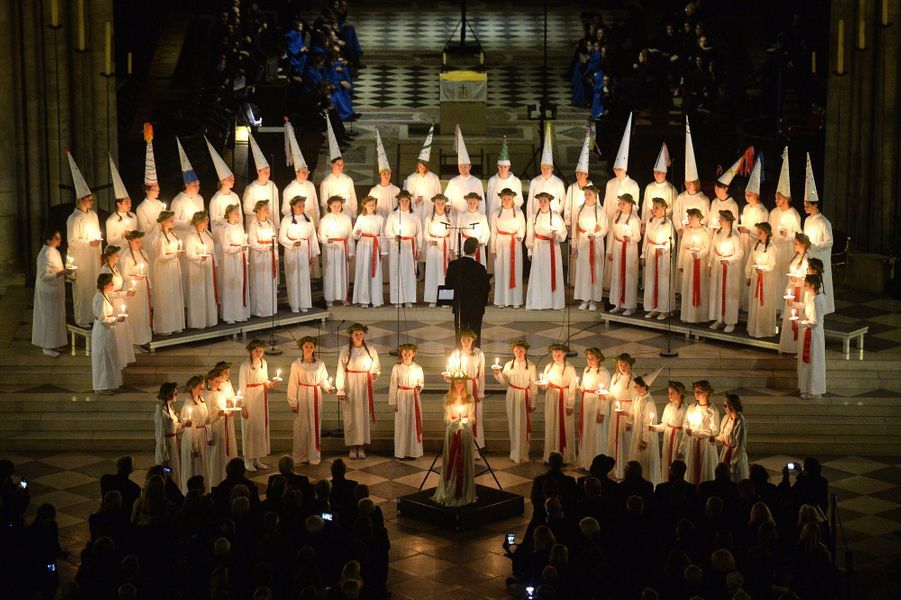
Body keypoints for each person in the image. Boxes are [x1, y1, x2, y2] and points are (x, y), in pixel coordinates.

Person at [65, 151, 102, 327]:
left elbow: (97, 234)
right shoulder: (73, 219)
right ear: (80, 200)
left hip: (93, 257)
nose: (91, 202)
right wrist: (88, 243)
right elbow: (72, 241)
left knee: (94, 287)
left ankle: (94, 315)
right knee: (82, 289)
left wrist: (98, 247)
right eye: (88, 199)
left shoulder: (93, 215)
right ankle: (82, 319)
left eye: (92, 199)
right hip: (81, 259)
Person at [336, 323, 381, 458]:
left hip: (364, 385)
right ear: (351, 335)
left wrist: (374, 373)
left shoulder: (371, 350)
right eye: (356, 334)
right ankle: (352, 447)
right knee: (351, 416)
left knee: (362, 416)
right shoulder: (345, 350)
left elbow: (376, 367)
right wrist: (340, 389)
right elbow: (340, 369)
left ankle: (361, 446)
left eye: (361, 334)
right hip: (350, 384)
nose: (358, 336)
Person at [431, 377, 477, 507]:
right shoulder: (447, 397)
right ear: (452, 383)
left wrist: (464, 423)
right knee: (453, 460)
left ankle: (465, 492)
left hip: (465, 433)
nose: (459, 384)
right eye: (457, 382)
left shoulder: (470, 398)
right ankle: (449, 487)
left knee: (464, 460)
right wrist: (454, 423)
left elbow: (472, 417)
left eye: (461, 382)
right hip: (452, 432)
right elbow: (446, 417)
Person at [287, 336, 333, 466]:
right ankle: (300, 456)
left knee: (314, 425)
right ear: (302, 347)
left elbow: (323, 379)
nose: (309, 349)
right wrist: (293, 402)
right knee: (301, 427)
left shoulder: (320, 363)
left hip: (315, 395)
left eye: (311, 346)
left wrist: (328, 387)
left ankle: (314, 455)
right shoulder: (296, 364)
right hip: (302, 395)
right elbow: (292, 384)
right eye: (306, 346)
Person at [491, 339, 538, 463]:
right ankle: (514, 453)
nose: (518, 352)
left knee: (523, 424)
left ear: (525, 351)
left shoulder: (531, 366)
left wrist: (533, 402)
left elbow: (533, 385)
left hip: (524, 396)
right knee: (513, 424)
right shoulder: (508, 365)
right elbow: (504, 381)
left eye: (521, 350)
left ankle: (523, 453)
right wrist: (497, 373)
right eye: (516, 350)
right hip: (512, 395)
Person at [768, 148, 802, 308]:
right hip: (776, 249)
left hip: (787, 250)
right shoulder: (773, 213)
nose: (776, 200)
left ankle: (784, 307)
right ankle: (774, 306)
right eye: (775, 197)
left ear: (786, 198)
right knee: (775, 278)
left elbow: (799, 235)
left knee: (784, 278)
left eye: (779, 198)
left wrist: (788, 234)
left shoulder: (793, 214)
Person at [239, 339, 280, 471]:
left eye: (261, 350)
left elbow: (264, 380)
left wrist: (271, 384)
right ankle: (248, 460)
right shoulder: (244, 366)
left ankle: (257, 459)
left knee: (259, 429)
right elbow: (242, 386)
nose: (259, 352)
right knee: (250, 429)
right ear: (251, 350)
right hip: (250, 398)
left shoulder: (264, 363)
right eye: (256, 350)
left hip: (261, 398)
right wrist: (243, 406)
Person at [801, 155, 834, 315]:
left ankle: (823, 308)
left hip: (820, 258)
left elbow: (829, 241)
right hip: (809, 256)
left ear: (815, 204)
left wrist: (814, 246)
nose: (805, 207)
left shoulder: (824, 222)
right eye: (804, 205)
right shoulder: (807, 220)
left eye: (808, 205)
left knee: (820, 282)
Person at [444, 329, 487, 448]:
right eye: (463, 340)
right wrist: (448, 378)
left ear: (473, 340)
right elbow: (451, 374)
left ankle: (475, 447)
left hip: (473, 385)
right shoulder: (455, 354)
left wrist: (481, 391)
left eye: (468, 339)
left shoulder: (478, 353)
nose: (466, 342)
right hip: (459, 387)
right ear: (460, 340)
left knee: (474, 415)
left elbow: (482, 374)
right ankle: (459, 445)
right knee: (460, 413)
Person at [172, 139, 205, 291]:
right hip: (184, 238)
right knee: (187, 271)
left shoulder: (200, 199)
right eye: (194, 185)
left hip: (198, 237)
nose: (197, 187)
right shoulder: (178, 201)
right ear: (186, 185)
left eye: (198, 184)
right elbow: (173, 222)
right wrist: (189, 222)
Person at [526, 192, 567, 310]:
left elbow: (563, 232)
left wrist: (556, 235)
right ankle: (539, 303)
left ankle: (554, 302)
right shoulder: (534, 217)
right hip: (539, 248)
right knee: (539, 274)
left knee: (551, 273)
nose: (543, 203)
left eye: (545, 201)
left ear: (549, 202)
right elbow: (530, 234)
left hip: (552, 247)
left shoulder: (555, 216)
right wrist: (530, 250)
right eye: (541, 201)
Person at [445, 238, 491, 344]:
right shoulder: (480, 268)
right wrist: (483, 302)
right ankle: (475, 356)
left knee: (460, 335)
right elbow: (486, 287)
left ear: (464, 249)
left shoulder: (453, 265)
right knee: (475, 334)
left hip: (460, 306)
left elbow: (448, 285)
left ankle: (459, 356)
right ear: (476, 250)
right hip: (476, 307)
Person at [538, 344, 578, 464]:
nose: (556, 357)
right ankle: (549, 455)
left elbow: (572, 387)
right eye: (554, 354)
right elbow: (545, 383)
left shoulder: (570, 368)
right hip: (551, 398)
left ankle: (565, 456)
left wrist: (570, 404)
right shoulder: (549, 367)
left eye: (559, 355)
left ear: (565, 354)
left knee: (565, 426)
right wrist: (542, 385)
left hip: (564, 397)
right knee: (551, 424)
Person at [32, 230, 69, 357]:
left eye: (59, 237)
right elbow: (43, 276)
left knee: (57, 318)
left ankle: (55, 343)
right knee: (49, 318)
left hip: (57, 291)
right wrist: (62, 273)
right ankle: (47, 346)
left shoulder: (56, 252)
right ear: (48, 240)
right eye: (56, 238)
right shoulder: (44, 255)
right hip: (48, 292)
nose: (59, 240)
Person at [279, 196, 319, 313]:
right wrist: (291, 243)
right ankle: (294, 304)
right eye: (299, 206)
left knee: (304, 277)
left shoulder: (309, 218)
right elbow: (282, 237)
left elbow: (313, 237)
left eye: (303, 206)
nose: (302, 208)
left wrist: (313, 254)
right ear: (293, 206)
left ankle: (304, 303)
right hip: (292, 250)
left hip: (305, 249)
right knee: (293, 277)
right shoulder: (287, 219)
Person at [98, 245, 136, 368]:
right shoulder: (105, 270)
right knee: (117, 332)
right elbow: (107, 291)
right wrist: (124, 293)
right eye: (116, 254)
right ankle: (116, 361)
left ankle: (123, 359)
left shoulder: (115, 268)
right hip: (112, 303)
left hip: (119, 301)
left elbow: (120, 284)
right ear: (109, 256)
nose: (118, 256)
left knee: (122, 331)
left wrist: (126, 293)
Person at [572, 185, 607, 311]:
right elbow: (576, 228)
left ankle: (593, 299)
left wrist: (595, 235)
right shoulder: (579, 209)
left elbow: (604, 228)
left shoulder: (600, 210)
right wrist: (574, 246)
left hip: (595, 243)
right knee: (583, 271)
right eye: (585, 194)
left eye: (589, 194)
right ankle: (584, 298)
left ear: (595, 195)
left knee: (594, 270)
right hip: (583, 243)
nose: (587, 196)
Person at [708, 211, 744, 332]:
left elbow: (740, 253)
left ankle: (730, 321)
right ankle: (719, 319)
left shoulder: (735, 234)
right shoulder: (717, 233)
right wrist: (710, 264)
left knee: (730, 294)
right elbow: (713, 249)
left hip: (730, 269)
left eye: (722, 219)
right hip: (719, 266)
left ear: (728, 221)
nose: (719, 221)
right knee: (718, 292)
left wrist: (728, 260)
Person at [673, 117, 710, 235]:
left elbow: (706, 218)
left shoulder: (703, 200)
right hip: (683, 233)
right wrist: (679, 228)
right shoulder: (681, 198)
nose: (687, 185)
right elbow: (676, 214)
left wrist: (696, 226)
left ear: (696, 183)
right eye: (686, 183)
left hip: (698, 234)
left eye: (690, 183)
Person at [490, 188, 527, 308]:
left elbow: (522, 227)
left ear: (512, 199)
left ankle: (515, 300)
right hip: (500, 242)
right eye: (504, 198)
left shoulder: (518, 212)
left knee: (514, 270)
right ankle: (501, 300)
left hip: (514, 243)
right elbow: (493, 231)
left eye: (509, 198)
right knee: (501, 270)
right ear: (501, 199)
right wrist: (493, 248)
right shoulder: (496, 213)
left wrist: (520, 236)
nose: (506, 201)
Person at [385, 190, 422, 307]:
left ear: (410, 201)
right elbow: (387, 231)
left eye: (407, 200)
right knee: (397, 272)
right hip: (397, 246)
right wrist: (394, 237)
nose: (405, 203)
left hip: (410, 246)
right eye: (402, 201)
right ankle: (397, 300)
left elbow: (419, 232)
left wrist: (419, 249)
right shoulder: (393, 215)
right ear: (399, 201)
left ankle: (408, 299)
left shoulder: (414, 215)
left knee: (409, 273)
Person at [641, 197, 676, 319]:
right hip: (651, 252)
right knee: (651, 280)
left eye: (657, 207)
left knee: (663, 281)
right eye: (653, 207)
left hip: (663, 256)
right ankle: (653, 307)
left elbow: (672, 242)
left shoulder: (668, 223)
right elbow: (646, 239)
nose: (654, 210)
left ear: (664, 208)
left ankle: (664, 309)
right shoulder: (650, 221)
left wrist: (665, 248)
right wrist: (643, 254)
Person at [282, 119, 320, 231]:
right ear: (297, 172)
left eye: (307, 172)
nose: (306, 175)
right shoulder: (289, 189)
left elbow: (316, 206)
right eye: (303, 172)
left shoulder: (310, 185)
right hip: (296, 224)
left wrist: (317, 223)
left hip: (310, 224)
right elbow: (285, 210)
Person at [577, 348, 611, 471]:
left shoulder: (604, 373)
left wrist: (602, 412)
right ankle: (585, 462)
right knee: (586, 432)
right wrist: (579, 389)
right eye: (588, 358)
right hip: (587, 404)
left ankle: (596, 465)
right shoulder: (586, 370)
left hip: (597, 404)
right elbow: (583, 386)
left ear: (599, 359)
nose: (589, 361)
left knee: (596, 433)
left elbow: (606, 394)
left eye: (592, 358)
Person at [607, 193, 642, 315]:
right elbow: (612, 234)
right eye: (620, 203)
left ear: (630, 205)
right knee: (617, 275)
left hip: (629, 249)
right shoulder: (617, 216)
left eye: (624, 203)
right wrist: (610, 250)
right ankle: (618, 303)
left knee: (628, 275)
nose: (621, 205)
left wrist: (630, 239)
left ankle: (629, 305)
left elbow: (637, 237)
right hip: (618, 247)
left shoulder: (634, 219)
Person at [681, 380, 720, 488]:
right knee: (692, 469)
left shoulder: (712, 410)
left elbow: (714, 431)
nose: (696, 394)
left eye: (699, 391)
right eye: (695, 391)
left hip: (706, 445)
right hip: (692, 443)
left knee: (705, 469)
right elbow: (685, 423)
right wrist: (687, 429)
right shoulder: (692, 407)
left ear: (706, 392)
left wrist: (695, 432)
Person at [151, 211, 185, 335]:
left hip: (173, 267)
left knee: (174, 295)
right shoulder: (160, 237)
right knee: (165, 296)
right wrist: (175, 254)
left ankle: (175, 324)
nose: (173, 222)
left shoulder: (173, 234)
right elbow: (161, 257)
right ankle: (165, 327)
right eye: (171, 220)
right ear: (164, 222)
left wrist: (177, 253)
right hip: (164, 269)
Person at [215, 205, 250, 324]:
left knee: (240, 284)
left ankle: (240, 313)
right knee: (231, 285)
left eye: (238, 213)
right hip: (230, 260)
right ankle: (230, 315)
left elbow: (244, 242)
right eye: (235, 213)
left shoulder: (239, 226)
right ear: (229, 214)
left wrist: (245, 252)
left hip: (240, 258)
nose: (238, 215)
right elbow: (225, 248)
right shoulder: (225, 228)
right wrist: (238, 249)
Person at [389, 344, 425, 460]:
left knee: (413, 423)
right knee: (402, 423)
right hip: (401, 396)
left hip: (413, 397)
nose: (407, 356)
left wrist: (419, 387)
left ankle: (413, 452)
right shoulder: (397, 368)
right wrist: (393, 402)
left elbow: (421, 382)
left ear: (413, 354)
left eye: (409, 354)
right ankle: (401, 452)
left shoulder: (418, 368)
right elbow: (393, 385)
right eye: (405, 354)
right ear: (401, 354)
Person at [184, 211, 218, 328]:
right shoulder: (191, 236)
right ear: (198, 222)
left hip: (207, 265)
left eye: (207, 220)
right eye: (205, 221)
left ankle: (210, 319)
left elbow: (212, 250)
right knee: (198, 293)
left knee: (208, 291)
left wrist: (215, 263)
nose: (207, 223)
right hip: (196, 268)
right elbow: (189, 254)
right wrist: (199, 257)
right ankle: (198, 321)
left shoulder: (207, 233)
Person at [737, 157, 769, 287]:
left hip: (754, 245)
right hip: (744, 244)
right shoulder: (745, 208)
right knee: (744, 269)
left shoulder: (762, 211)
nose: (747, 196)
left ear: (756, 195)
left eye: (750, 194)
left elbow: (763, 232)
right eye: (746, 194)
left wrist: (749, 231)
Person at [351, 195, 386, 308]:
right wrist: (357, 232)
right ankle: (364, 299)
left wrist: (383, 250)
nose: (371, 206)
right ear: (365, 205)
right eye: (369, 204)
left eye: (373, 205)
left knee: (375, 271)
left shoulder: (380, 218)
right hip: (363, 245)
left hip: (375, 245)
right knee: (364, 270)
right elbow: (354, 235)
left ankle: (375, 299)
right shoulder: (361, 218)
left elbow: (383, 235)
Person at [135, 125, 164, 260]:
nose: (158, 190)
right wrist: (159, 220)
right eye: (155, 188)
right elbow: (145, 228)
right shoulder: (141, 208)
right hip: (149, 242)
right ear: (148, 190)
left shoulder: (159, 204)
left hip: (161, 240)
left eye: (158, 187)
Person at [319, 195, 354, 307]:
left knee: (342, 272)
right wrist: (326, 240)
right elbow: (320, 235)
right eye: (334, 206)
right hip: (330, 248)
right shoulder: (325, 219)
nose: (337, 208)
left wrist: (351, 252)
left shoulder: (346, 218)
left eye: (339, 205)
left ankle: (343, 297)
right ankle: (329, 298)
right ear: (329, 206)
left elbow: (350, 237)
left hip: (342, 247)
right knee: (330, 272)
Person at [779, 233, 811, 353]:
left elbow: (808, 276)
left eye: (796, 244)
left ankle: (799, 348)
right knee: (790, 315)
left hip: (801, 291)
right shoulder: (797, 256)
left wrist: (799, 279)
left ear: (803, 244)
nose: (794, 245)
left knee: (799, 315)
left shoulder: (807, 257)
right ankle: (789, 346)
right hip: (793, 288)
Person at [678, 208, 712, 323]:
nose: (689, 219)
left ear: (698, 217)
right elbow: (683, 246)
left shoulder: (705, 231)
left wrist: (698, 254)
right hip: (688, 260)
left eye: (692, 217)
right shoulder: (687, 230)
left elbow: (708, 248)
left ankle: (698, 316)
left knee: (699, 286)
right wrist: (680, 263)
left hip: (699, 262)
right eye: (688, 217)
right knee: (688, 285)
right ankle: (687, 315)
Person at [404, 125, 443, 222]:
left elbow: (439, 195)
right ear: (417, 165)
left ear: (427, 166)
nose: (422, 168)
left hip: (430, 209)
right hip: (416, 210)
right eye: (420, 166)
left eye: (424, 166)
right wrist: (414, 201)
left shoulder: (434, 178)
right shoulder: (411, 178)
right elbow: (407, 195)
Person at [92, 274, 123, 394]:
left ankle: (109, 383)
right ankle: (101, 386)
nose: (113, 285)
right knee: (103, 358)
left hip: (107, 331)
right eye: (111, 283)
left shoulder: (104, 295)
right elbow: (103, 319)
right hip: (102, 331)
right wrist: (117, 319)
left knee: (108, 356)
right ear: (105, 285)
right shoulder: (100, 298)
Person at [207, 367, 238, 486]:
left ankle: (224, 476)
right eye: (216, 381)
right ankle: (215, 480)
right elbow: (207, 417)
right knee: (216, 453)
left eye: (220, 381)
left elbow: (224, 407)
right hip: (215, 428)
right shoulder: (208, 395)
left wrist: (228, 412)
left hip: (222, 426)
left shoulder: (220, 393)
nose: (219, 383)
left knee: (223, 452)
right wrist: (218, 414)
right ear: (209, 380)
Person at [745, 223, 777, 338]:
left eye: (761, 232)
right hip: (755, 277)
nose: (758, 234)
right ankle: (754, 328)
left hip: (766, 279)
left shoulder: (771, 247)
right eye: (758, 232)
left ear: (767, 233)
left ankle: (764, 330)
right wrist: (748, 275)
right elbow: (750, 260)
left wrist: (763, 269)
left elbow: (772, 264)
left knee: (764, 303)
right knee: (755, 302)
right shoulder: (755, 245)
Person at [526, 126, 567, 219]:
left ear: (552, 168)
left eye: (548, 168)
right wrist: (530, 218)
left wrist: (557, 213)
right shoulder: (534, 181)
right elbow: (529, 202)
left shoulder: (558, 182)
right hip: (537, 216)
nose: (545, 170)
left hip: (553, 217)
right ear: (540, 168)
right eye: (543, 168)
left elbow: (563, 201)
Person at [319, 123, 357, 222]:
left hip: (347, 213)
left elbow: (353, 198)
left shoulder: (348, 179)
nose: (340, 166)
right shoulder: (326, 182)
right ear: (332, 165)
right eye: (338, 164)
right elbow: (323, 202)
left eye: (342, 164)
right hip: (332, 216)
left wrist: (354, 216)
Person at [243, 135, 281, 232]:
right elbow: (246, 208)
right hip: (255, 226)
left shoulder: (272, 186)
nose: (268, 174)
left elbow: (276, 208)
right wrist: (260, 211)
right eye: (265, 172)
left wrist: (277, 225)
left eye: (269, 171)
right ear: (259, 172)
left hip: (270, 225)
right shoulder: (251, 188)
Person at [179, 375, 210, 492]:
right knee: (194, 466)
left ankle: (203, 489)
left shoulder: (201, 401)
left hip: (201, 435)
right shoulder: (188, 405)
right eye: (200, 388)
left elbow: (207, 419)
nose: (202, 390)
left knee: (202, 466)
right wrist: (194, 447)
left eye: (203, 388)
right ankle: (192, 491)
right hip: (193, 438)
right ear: (192, 388)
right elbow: (189, 428)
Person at [248, 200, 279, 318]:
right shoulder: (253, 224)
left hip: (269, 256)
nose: (267, 211)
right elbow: (253, 243)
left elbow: (274, 240)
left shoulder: (271, 223)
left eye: (268, 208)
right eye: (265, 209)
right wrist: (266, 247)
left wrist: (275, 255)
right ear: (258, 211)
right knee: (260, 282)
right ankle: (260, 310)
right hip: (259, 256)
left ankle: (270, 308)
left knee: (269, 283)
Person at [607, 353, 635, 479]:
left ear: (630, 365)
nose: (622, 367)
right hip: (615, 411)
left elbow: (635, 401)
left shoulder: (634, 380)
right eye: (620, 365)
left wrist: (630, 419)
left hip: (627, 410)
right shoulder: (615, 377)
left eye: (625, 365)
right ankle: (614, 468)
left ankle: (626, 469)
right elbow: (612, 394)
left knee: (626, 440)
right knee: (614, 437)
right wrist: (605, 395)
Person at [628, 376, 661, 486]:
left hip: (644, 436)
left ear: (644, 387)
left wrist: (645, 440)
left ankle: (647, 481)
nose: (634, 388)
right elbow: (633, 412)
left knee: (645, 460)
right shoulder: (638, 398)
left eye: (636, 386)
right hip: (637, 433)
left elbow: (647, 422)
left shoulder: (649, 402)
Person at [798, 274, 826, 399]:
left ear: (813, 286)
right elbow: (807, 307)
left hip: (815, 334)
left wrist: (801, 323)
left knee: (814, 361)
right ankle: (806, 389)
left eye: (806, 284)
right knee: (808, 361)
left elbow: (816, 321)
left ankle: (814, 390)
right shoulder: (812, 297)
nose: (804, 286)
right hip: (810, 331)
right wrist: (794, 305)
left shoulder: (818, 300)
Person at [445, 125, 485, 214]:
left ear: (470, 166)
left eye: (465, 166)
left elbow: (481, 202)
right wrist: (447, 206)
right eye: (461, 167)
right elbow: (447, 199)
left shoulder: (477, 182)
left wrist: (481, 215)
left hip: (472, 216)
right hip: (456, 216)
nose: (463, 169)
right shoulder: (453, 182)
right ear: (458, 167)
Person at [562, 130, 594, 239]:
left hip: (588, 226)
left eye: (581, 173)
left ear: (587, 174)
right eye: (577, 173)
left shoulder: (593, 190)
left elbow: (597, 207)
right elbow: (568, 207)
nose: (579, 175)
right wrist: (567, 223)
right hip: (575, 224)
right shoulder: (571, 188)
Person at [423, 194, 453, 307]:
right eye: (438, 203)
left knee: (444, 274)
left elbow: (452, 234)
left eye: (442, 204)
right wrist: (430, 240)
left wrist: (451, 250)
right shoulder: (428, 218)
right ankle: (432, 299)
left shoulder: (449, 218)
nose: (440, 206)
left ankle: (445, 300)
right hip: (433, 247)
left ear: (445, 205)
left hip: (445, 246)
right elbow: (425, 232)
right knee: (432, 272)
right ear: (434, 204)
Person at [153, 382, 184, 487]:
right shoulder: (160, 410)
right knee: (167, 471)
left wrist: (184, 425)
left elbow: (173, 427)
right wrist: (164, 455)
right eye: (175, 393)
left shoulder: (169, 408)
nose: (177, 395)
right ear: (169, 394)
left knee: (174, 471)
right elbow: (160, 434)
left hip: (173, 444)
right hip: (166, 447)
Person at [206, 138, 240, 233]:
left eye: (233, 179)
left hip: (235, 234)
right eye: (230, 179)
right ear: (223, 181)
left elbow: (239, 217)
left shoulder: (235, 197)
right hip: (222, 234)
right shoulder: (215, 200)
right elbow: (214, 221)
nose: (233, 181)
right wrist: (227, 221)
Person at [653, 381, 687, 474]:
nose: (669, 395)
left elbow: (686, 432)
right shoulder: (668, 406)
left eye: (672, 393)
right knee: (666, 462)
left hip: (677, 438)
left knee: (676, 463)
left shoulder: (685, 409)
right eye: (668, 393)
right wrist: (654, 428)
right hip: (668, 437)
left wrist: (681, 448)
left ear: (679, 393)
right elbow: (664, 425)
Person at [640, 143, 677, 229]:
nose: (656, 175)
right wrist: (643, 222)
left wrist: (661, 212)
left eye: (659, 172)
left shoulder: (670, 189)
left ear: (664, 173)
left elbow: (674, 209)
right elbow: (645, 205)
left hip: (665, 224)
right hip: (651, 222)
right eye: (655, 172)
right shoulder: (649, 187)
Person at [716, 394, 749, 482]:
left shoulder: (740, 423)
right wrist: (715, 439)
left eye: (725, 405)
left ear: (732, 406)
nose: (724, 407)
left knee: (734, 479)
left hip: (735, 455)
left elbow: (739, 445)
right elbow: (724, 435)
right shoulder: (727, 418)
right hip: (726, 451)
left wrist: (733, 463)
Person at [486, 137, 523, 215]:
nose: (503, 169)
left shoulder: (515, 181)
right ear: (497, 166)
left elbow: (519, 200)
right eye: (501, 166)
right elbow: (489, 200)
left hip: (510, 215)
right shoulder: (492, 180)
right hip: (494, 215)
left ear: (509, 167)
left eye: (505, 167)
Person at [368, 130, 400, 218]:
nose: (386, 176)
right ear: (380, 175)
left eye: (388, 173)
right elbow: (369, 207)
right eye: (384, 174)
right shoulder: (374, 191)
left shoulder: (396, 190)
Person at [454, 191, 490, 266]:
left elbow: (486, 231)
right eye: (470, 203)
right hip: (466, 244)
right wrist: (457, 250)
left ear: (478, 203)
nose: (472, 205)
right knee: (466, 265)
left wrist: (481, 241)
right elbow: (458, 232)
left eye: (474, 203)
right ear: (467, 202)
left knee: (479, 265)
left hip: (478, 245)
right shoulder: (461, 215)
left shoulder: (482, 216)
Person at [105, 167, 137, 248]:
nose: (129, 204)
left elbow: (137, 232)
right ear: (119, 204)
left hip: (132, 250)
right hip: (119, 252)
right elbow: (110, 240)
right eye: (126, 202)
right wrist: (122, 235)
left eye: (130, 202)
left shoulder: (133, 216)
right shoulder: (111, 220)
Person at [707, 158, 741, 232]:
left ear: (726, 188)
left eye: (719, 188)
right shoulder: (714, 202)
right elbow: (710, 222)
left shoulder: (732, 205)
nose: (716, 190)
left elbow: (734, 227)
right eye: (715, 188)